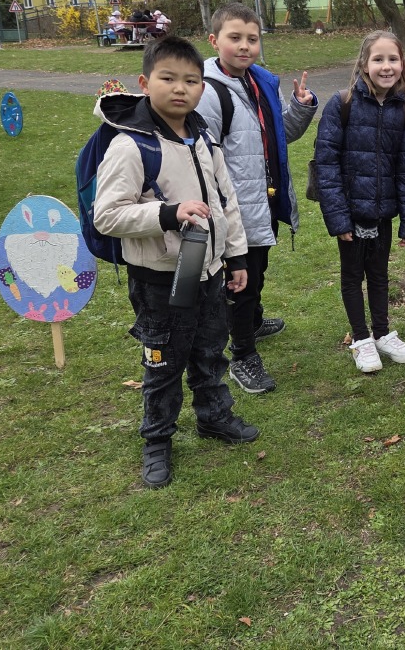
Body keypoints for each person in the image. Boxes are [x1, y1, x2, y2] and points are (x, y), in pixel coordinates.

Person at [92, 36, 258, 489]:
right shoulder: (131, 146)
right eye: (168, 78)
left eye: (191, 80)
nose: (180, 89)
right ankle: (157, 439)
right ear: (145, 83)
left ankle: (214, 416)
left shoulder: (204, 139)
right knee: (163, 363)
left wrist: (236, 256)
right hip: (158, 281)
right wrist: (167, 213)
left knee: (210, 350)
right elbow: (107, 216)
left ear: (203, 87)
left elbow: (227, 204)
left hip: (210, 273)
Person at [196, 2, 317, 394]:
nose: (245, 46)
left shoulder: (261, 82)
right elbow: (202, 158)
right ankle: (242, 355)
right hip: (235, 208)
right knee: (239, 282)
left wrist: (300, 108)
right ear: (214, 41)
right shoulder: (208, 92)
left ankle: (251, 322)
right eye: (235, 38)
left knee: (257, 270)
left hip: (262, 200)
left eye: (252, 38)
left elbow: (281, 135)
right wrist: (218, 211)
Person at [313, 30, 405, 372]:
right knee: (352, 276)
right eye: (378, 59)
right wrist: (339, 218)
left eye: (393, 59)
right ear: (364, 65)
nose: (386, 66)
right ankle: (361, 339)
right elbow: (326, 164)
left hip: (383, 214)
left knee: (379, 275)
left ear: (402, 65)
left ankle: (382, 333)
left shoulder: (403, 112)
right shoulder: (342, 104)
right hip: (350, 213)